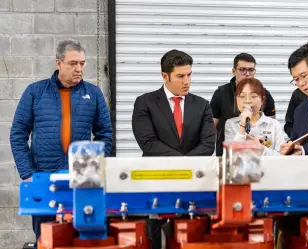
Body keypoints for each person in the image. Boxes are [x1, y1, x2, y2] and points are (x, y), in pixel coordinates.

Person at [10, 40, 113, 242]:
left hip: (82, 181)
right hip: (44, 180)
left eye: (82, 64)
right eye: (73, 63)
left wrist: (94, 169)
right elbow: (18, 134)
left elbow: (105, 134)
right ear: (59, 63)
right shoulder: (35, 92)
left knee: (81, 237)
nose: (79, 69)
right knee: (47, 238)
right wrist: (28, 174)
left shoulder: (93, 94)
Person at [132, 49, 215, 156]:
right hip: (157, 170)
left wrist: (185, 164)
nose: (187, 81)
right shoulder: (145, 103)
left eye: (189, 75)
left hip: (192, 170)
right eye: (180, 76)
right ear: (165, 76)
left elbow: (208, 144)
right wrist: (180, 162)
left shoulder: (202, 105)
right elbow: (148, 142)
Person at [210, 53, 276, 156]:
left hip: (261, 156)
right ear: (233, 71)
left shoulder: (264, 94)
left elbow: (270, 127)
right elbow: (212, 127)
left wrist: (263, 145)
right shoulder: (221, 93)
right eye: (242, 69)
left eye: (251, 70)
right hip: (228, 153)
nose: (247, 73)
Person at [224, 78, 284, 155]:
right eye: (242, 96)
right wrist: (242, 127)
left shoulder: (274, 124)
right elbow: (230, 155)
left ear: (262, 100)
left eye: (253, 96)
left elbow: (281, 156)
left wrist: (261, 149)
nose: (247, 101)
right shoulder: (231, 124)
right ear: (236, 100)